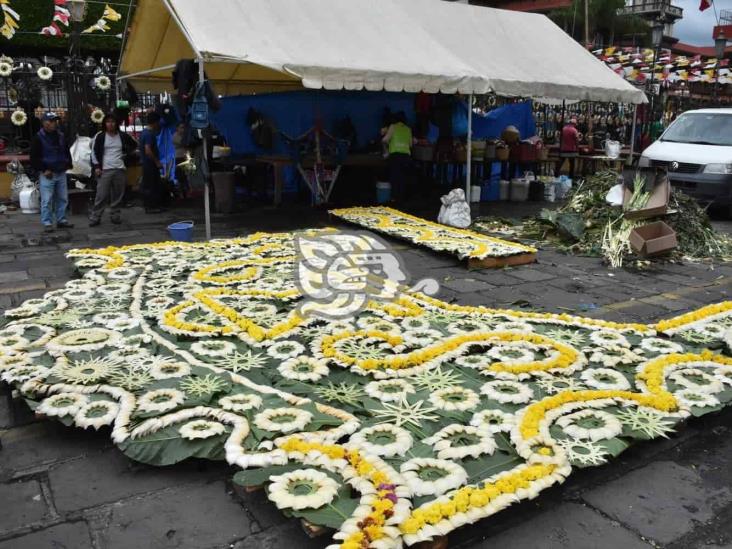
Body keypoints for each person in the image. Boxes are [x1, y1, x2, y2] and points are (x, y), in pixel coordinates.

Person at [89, 114, 138, 226]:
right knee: (101, 195)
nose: (110, 124)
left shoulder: (122, 136)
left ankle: (115, 215)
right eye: (108, 122)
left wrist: (126, 154)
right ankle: (96, 216)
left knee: (117, 194)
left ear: (116, 124)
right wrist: (97, 167)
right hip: (105, 169)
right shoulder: (100, 136)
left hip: (119, 168)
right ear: (104, 124)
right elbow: (94, 152)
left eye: (113, 122)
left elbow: (134, 145)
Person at [29, 112, 74, 232]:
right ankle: (47, 222)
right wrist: (44, 170)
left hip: (60, 171)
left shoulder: (60, 135)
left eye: (55, 121)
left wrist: (68, 164)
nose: (54, 123)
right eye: (51, 121)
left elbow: (66, 150)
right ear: (44, 123)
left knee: (63, 198)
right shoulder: (38, 138)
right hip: (47, 174)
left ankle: (61, 220)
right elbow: (33, 158)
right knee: (47, 200)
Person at [382, 111, 414, 202]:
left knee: (395, 177)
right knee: (403, 178)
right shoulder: (408, 129)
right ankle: (402, 198)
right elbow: (410, 145)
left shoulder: (393, 127)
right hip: (406, 157)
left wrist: (386, 150)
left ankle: (394, 199)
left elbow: (385, 140)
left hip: (395, 156)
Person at [139, 112, 166, 213]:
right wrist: (157, 162)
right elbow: (148, 150)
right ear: (155, 122)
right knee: (151, 185)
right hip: (149, 164)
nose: (159, 124)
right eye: (158, 122)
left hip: (148, 164)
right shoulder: (149, 134)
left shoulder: (145, 133)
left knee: (153, 184)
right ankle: (150, 207)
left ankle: (153, 205)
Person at [556, 116, 581, 180]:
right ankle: (571, 177)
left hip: (563, 149)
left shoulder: (563, 129)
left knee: (560, 163)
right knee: (572, 164)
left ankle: (556, 174)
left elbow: (559, 138)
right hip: (572, 150)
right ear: (574, 124)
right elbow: (576, 141)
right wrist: (577, 148)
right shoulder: (574, 130)